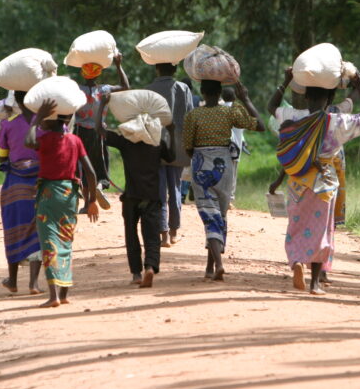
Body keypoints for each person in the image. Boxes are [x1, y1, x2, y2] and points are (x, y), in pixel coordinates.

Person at [271, 74, 360, 295]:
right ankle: (315, 283)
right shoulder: (336, 122)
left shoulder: (295, 116)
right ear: (330, 98)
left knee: (296, 226)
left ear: (306, 95)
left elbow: (272, 107)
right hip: (324, 182)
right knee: (321, 232)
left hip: (298, 182)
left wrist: (287, 80)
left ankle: (297, 260)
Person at [183, 80, 265, 281]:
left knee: (210, 216)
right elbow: (260, 125)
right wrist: (244, 98)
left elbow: (187, 146)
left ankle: (217, 265)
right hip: (225, 167)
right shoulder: (230, 112)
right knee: (220, 214)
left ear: (201, 92)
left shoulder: (193, 115)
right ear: (219, 93)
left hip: (201, 166)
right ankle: (210, 267)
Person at [25, 99, 99, 308]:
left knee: (49, 243)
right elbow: (91, 173)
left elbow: (28, 142)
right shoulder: (75, 140)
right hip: (69, 196)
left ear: (48, 122)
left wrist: (35, 120)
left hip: (49, 195)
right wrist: (92, 200)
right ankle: (64, 293)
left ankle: (53, 296)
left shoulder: (46, 139)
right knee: (65, 241)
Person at [97, 92, 176, 287]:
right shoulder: (158, 144)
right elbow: (172, 157)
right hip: (152, 197)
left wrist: (103, 107)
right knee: (152, 236)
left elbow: (100, 130)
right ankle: (150, 266)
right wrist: (172, 131)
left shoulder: (126, 143)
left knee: (131, 235)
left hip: (131, 197)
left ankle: (136, 274)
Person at [0, 91, 42, 295]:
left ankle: (13, 280)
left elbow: (2, 156)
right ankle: (33, 283)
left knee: (13, 227)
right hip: (40, 181)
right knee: (38, 229)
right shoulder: (45, 123)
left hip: (15, 183)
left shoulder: (8, 124)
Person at [147, 63, 194, 246]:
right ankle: (174, 232)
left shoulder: (149, 90)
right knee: (175, 188)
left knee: (159, 191)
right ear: (175, 71)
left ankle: (163, 233)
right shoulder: (183, 89)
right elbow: (189, 116)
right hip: (178, 146)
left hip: (154, 145)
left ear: (157, 69)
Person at [73, 53, 130, 192]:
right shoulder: (104, 90)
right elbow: (125, 86)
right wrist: (118, 65)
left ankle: (87, 202)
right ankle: (99, 185)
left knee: (82, 166)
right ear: (98, 74)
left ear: (83, 74)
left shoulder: (77, 90)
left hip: (79, 132)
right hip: (98, 133)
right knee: (100, 165)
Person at [221, 86, 246, 205]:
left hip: (221, 146)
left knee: (220, 171)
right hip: (236, 147)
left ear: (222, 97)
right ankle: (230, 199)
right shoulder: (239, 110)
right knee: (233, 173)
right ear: (234, 97)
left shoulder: (219, 109)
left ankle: (219, 197)